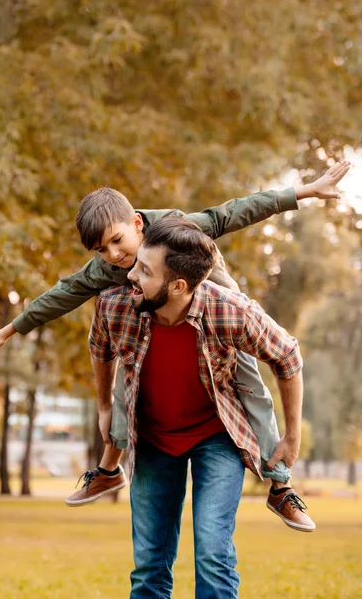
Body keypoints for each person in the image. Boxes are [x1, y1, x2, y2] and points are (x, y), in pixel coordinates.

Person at [0, 161, 349, 528]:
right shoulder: (107, 268)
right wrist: (12, 329)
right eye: (102, 250)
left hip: (221, 326)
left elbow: (236, 211)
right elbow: (65, 291)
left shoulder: (176, 228)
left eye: (117, 241)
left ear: (137, 223)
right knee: (127, 383)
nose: (114, 256)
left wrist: (304, 192)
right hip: (157, 320)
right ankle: (108, 469)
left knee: (252, 390)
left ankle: (281, 486)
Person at [88, 217, 309, 598]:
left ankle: (281, 490)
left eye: (144, 271)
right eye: (137, 263)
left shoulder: (229, 310)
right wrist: (105, 404)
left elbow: (287, 356)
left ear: (177, 286)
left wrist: (292, 436)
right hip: (154, 439)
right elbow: (99, 350)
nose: (131, 277)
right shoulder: (115, 307)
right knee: (149, 564)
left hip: (217, 438)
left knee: (212, 553)